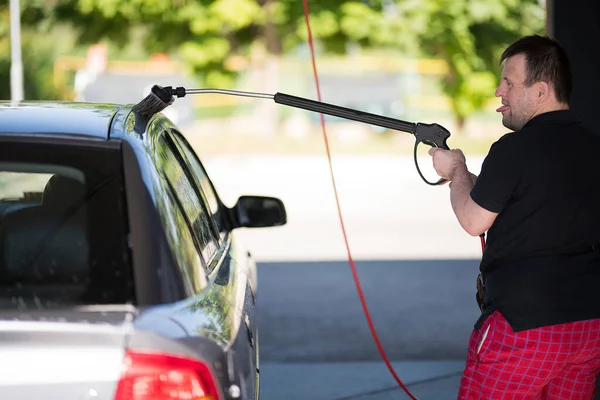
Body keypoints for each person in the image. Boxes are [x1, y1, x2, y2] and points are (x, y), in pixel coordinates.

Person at [429, 34, 600, 399]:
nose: (498, 91)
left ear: (540, 90)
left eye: (508, 82)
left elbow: (474, 221)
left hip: (525, 328)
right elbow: (536, 199)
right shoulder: (591, 145)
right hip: (588, 327)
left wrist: (456, 170)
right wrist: (470, 181)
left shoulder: (514, 148)